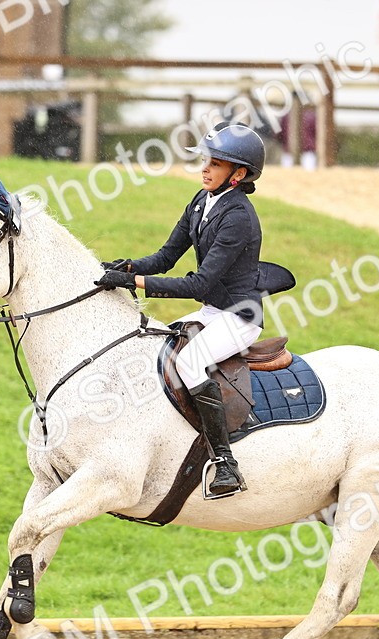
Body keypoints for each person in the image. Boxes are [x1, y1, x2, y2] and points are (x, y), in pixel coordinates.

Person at [95, 123, 266, 498]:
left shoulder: (238, 217)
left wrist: (133, 284)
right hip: (211, 312)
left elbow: (198, 284)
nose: (205, 169)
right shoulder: (201, 202)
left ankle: (225, 463)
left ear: (238, 175)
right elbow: (166, 257)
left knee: (190, 364)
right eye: (206, 161)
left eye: (216, 164)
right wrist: (126, 268)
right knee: (153, 346)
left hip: (239, 318)